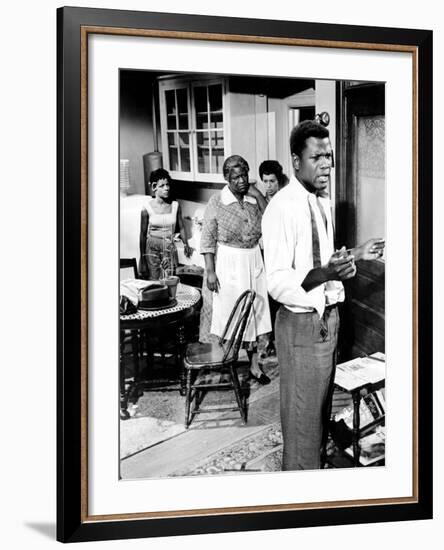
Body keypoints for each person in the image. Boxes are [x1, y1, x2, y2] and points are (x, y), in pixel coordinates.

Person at [261, 120, 385, 470]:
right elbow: (278, 281)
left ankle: (314, 474)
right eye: (317, 157)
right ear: (296, 161)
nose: (327, 164)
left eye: (328, 156)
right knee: (302, 419)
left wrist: (357, 254)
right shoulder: (281, 208)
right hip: (301, 324)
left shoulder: (320, 202)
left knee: (318, 411)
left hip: (329, 319)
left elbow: (322, 260)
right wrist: (329, 272)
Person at [199, 155, 272, 384]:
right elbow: (207, 240)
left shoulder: (253, 199)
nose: (241, 181)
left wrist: (258, 195)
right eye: (236, 177)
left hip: (253, 262)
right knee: (226, 317)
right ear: (226, 178)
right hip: (227, 264)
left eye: (244, 175)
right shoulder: (217, 202)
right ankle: (219, 366)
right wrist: (210, 271)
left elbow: (271, 222)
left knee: (254, 316)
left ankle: (254, 366)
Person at [139, 168, 192, 280]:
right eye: (162, 186)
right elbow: (142, 235)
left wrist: (186, 244)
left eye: (167, 185)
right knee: (155, 283)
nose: (166, 188)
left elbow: (181, 228)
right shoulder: (146, 208)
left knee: (170, 280)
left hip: (168, 247)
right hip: (152, 249)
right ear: (154, 187)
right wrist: (142, 259)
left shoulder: (175, 206)